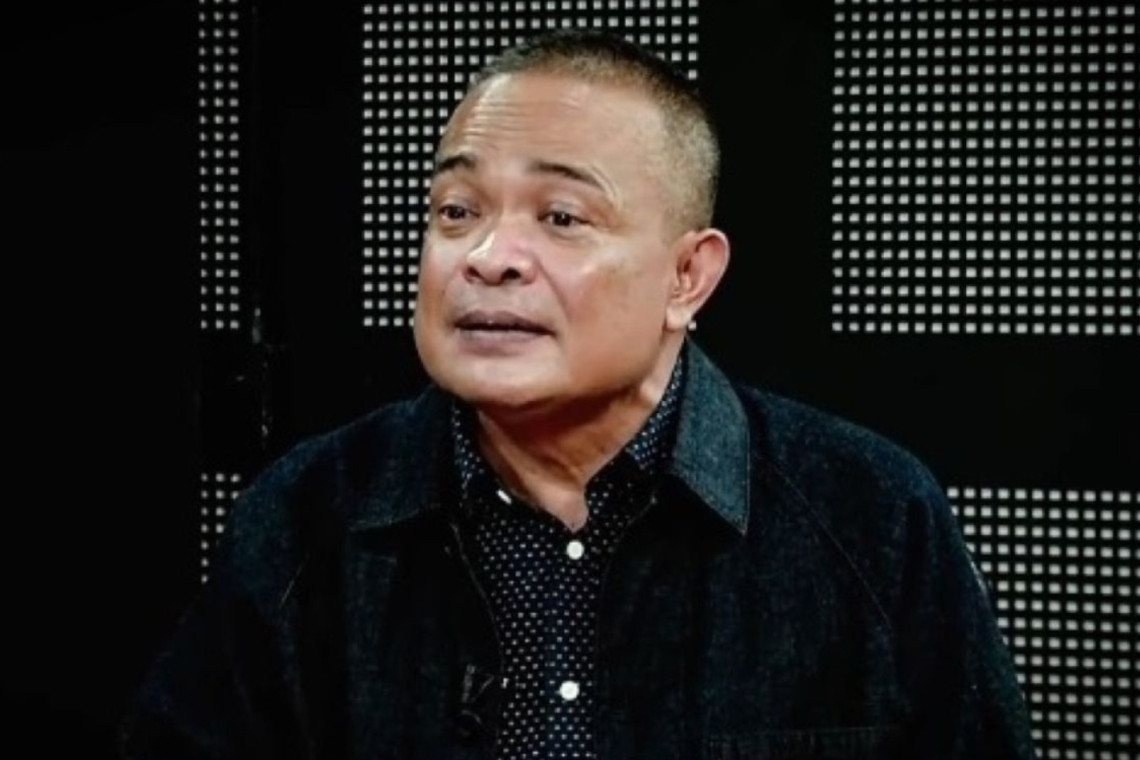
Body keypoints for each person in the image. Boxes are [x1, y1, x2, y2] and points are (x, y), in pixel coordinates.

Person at [120, 30, 1038, 760]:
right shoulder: (302, 517)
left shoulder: (872, 516)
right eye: (457, 212)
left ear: (687, 276)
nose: (488, 257)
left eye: (561, 218)